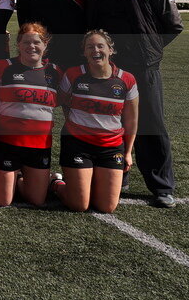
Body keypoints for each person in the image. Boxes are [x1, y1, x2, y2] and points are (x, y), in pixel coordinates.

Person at [85, 0, 183, 208]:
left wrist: (150, 49)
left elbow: (173, 25)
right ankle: (118, 174)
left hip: (144, 67)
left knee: (151, 125)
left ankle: (162, 187)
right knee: (109, 122)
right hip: (109, 69)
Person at [51, 30, 138, 213]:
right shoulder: (73, 74)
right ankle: (56, 182)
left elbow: (131, 119)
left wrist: (128, 152)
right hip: (77, 144)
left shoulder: (126, 79)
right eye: (90, 47)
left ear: (111, 50)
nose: (95, 50)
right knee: (79, 205)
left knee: (107, 207)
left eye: (100, 46)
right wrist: (73, 121)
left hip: (111, 147)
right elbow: (63, 101)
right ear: (84, 52)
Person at [0, 23, 61, 207]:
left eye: (37, 42)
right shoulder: (3, 67)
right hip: (6, 142)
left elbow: (63, 101)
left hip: (39, 144)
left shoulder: (55, 72)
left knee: (37, 200)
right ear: (18, 44)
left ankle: (50, 181)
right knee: (3, 201)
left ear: (45, 45)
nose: (31, 46)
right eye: (26, 42)